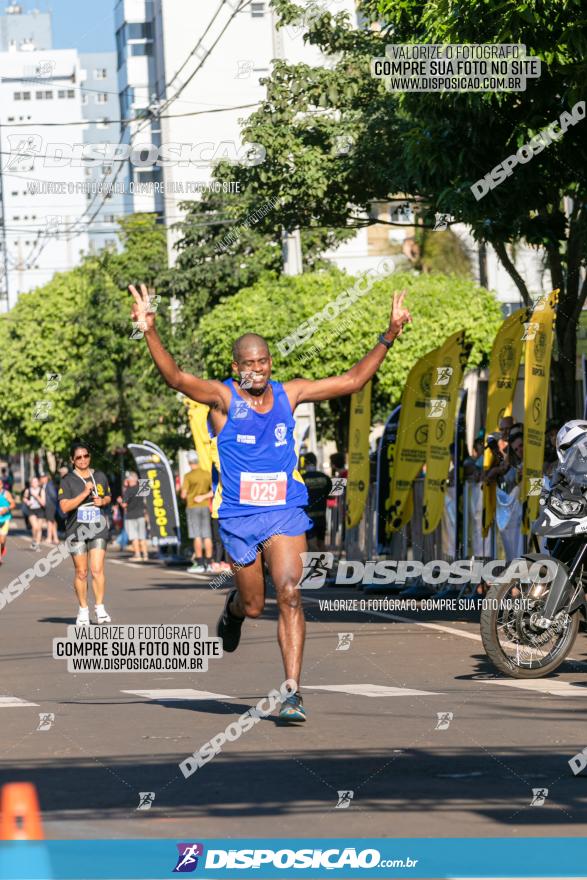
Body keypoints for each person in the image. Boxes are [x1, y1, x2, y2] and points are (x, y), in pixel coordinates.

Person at [130, 282, 412, 722]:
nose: (257, 370)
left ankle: (292, 692)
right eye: (249, 364)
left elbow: (354, 380)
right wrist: (150, 330)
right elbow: (177, 379)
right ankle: (234, 610)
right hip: (240, 517)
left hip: (283, 513)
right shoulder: (223, 400)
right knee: (255, 604)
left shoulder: (290, 393)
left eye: (263, 362)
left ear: (270, 364)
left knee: (291, 593)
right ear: (236, 367)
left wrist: (389, 334)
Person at [58, 441, 112, 626]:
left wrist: (102, 502)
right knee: (81, 572)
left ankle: (100, 608)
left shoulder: (100, 475)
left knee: (97, 570)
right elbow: (64, 507)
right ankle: (83, 610)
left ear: (90, 456)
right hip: (76, 531)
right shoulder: (67, 480)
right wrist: (84, 493)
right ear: (72, 460)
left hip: (98, 528)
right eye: (78, 457)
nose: (83, 460)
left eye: (86, 456)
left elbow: (108, 496)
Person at [181, 451, 213, 573]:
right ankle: (210, 563)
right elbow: (214, 490)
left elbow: (184, 495)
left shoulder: (188, 476)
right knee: (207, 535)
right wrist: (204, 497)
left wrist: (182, 492)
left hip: (192, 506)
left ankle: (199, 563)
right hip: (205, 506)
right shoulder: (206, 474)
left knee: (197, 535)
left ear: (189, 462)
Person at [302, 452, 332, 550]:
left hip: (308, 518)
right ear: (316, 462)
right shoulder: (325, 478)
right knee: (321, 544)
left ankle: (318, 563)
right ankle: (324, 564)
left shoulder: (302, 478)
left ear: (304, 463)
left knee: (312, 544)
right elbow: (330, 495)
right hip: (322, 517)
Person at [118, 471, 149, 561]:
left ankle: (138, 555)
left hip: (131, 516)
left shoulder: (128, 490)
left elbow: (124, 505)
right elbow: (147, 501)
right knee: (142, 536)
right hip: (141, 515)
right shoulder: (143, 487)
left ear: (130, 480)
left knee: (134, 537)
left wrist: (120, 501)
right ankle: (146, 555)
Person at [23, 476, 46, 550]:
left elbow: (43, 503)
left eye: (36, 482)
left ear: (38, 483)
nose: (34, 483)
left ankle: (37, 544)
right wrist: (27, 502)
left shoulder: (41, 490)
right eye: (33, 482)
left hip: (40, 510)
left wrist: (36, 496)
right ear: (31, 483)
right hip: (31, 510)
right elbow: (24, 498)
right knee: (35, 527)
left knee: (39, 528)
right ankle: (34, 540)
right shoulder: (28, 490)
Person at [41, 473, 59, 545]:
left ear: (46, 478)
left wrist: (52, 502)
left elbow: (53, 495)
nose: (41, 479)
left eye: (42, 477)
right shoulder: (48, 484)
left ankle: (49, 538)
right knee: (52, 522)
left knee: (49, 522)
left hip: (50, 505)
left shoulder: (49, 485)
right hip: (51, 505)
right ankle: (55, 538)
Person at [0, 483, 16, 563]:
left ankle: (2, 549)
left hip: (4, 519)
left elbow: (13, 504)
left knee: (2, 541)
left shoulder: (6, 494)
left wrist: (6, 509)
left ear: (1, 485)